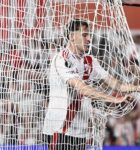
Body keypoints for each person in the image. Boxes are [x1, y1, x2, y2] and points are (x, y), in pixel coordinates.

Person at [42, 19, 140, 150]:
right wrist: (113, 99)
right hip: (60, 130)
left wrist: (136, 87)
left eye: (89, 35)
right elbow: (82, 88)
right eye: (84, 35)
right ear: (71, 36)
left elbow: (114, 83)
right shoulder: (62, 59)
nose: (89, 39)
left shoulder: (90, 61)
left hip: (80, 132)